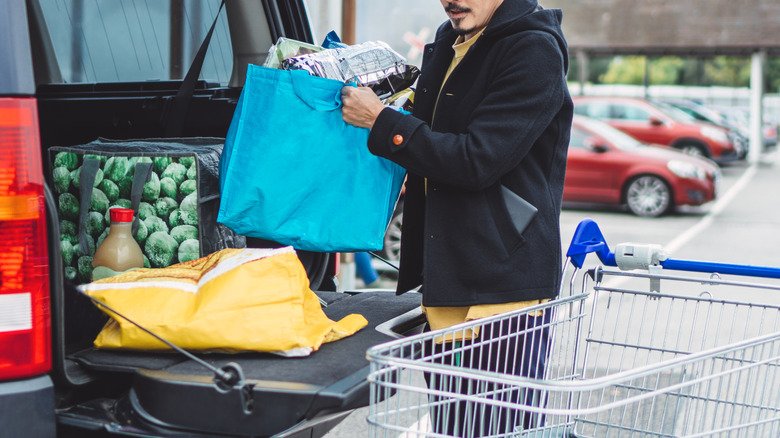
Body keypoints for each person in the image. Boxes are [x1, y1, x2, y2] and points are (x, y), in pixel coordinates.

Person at [342, 0, 572, 435]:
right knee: (454, 426)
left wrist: (382, 122)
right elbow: (427, 139)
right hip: (447, 274)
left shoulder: (533, 49)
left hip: (501, 286)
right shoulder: (452, 40)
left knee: (497, 428)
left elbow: (477, 160)